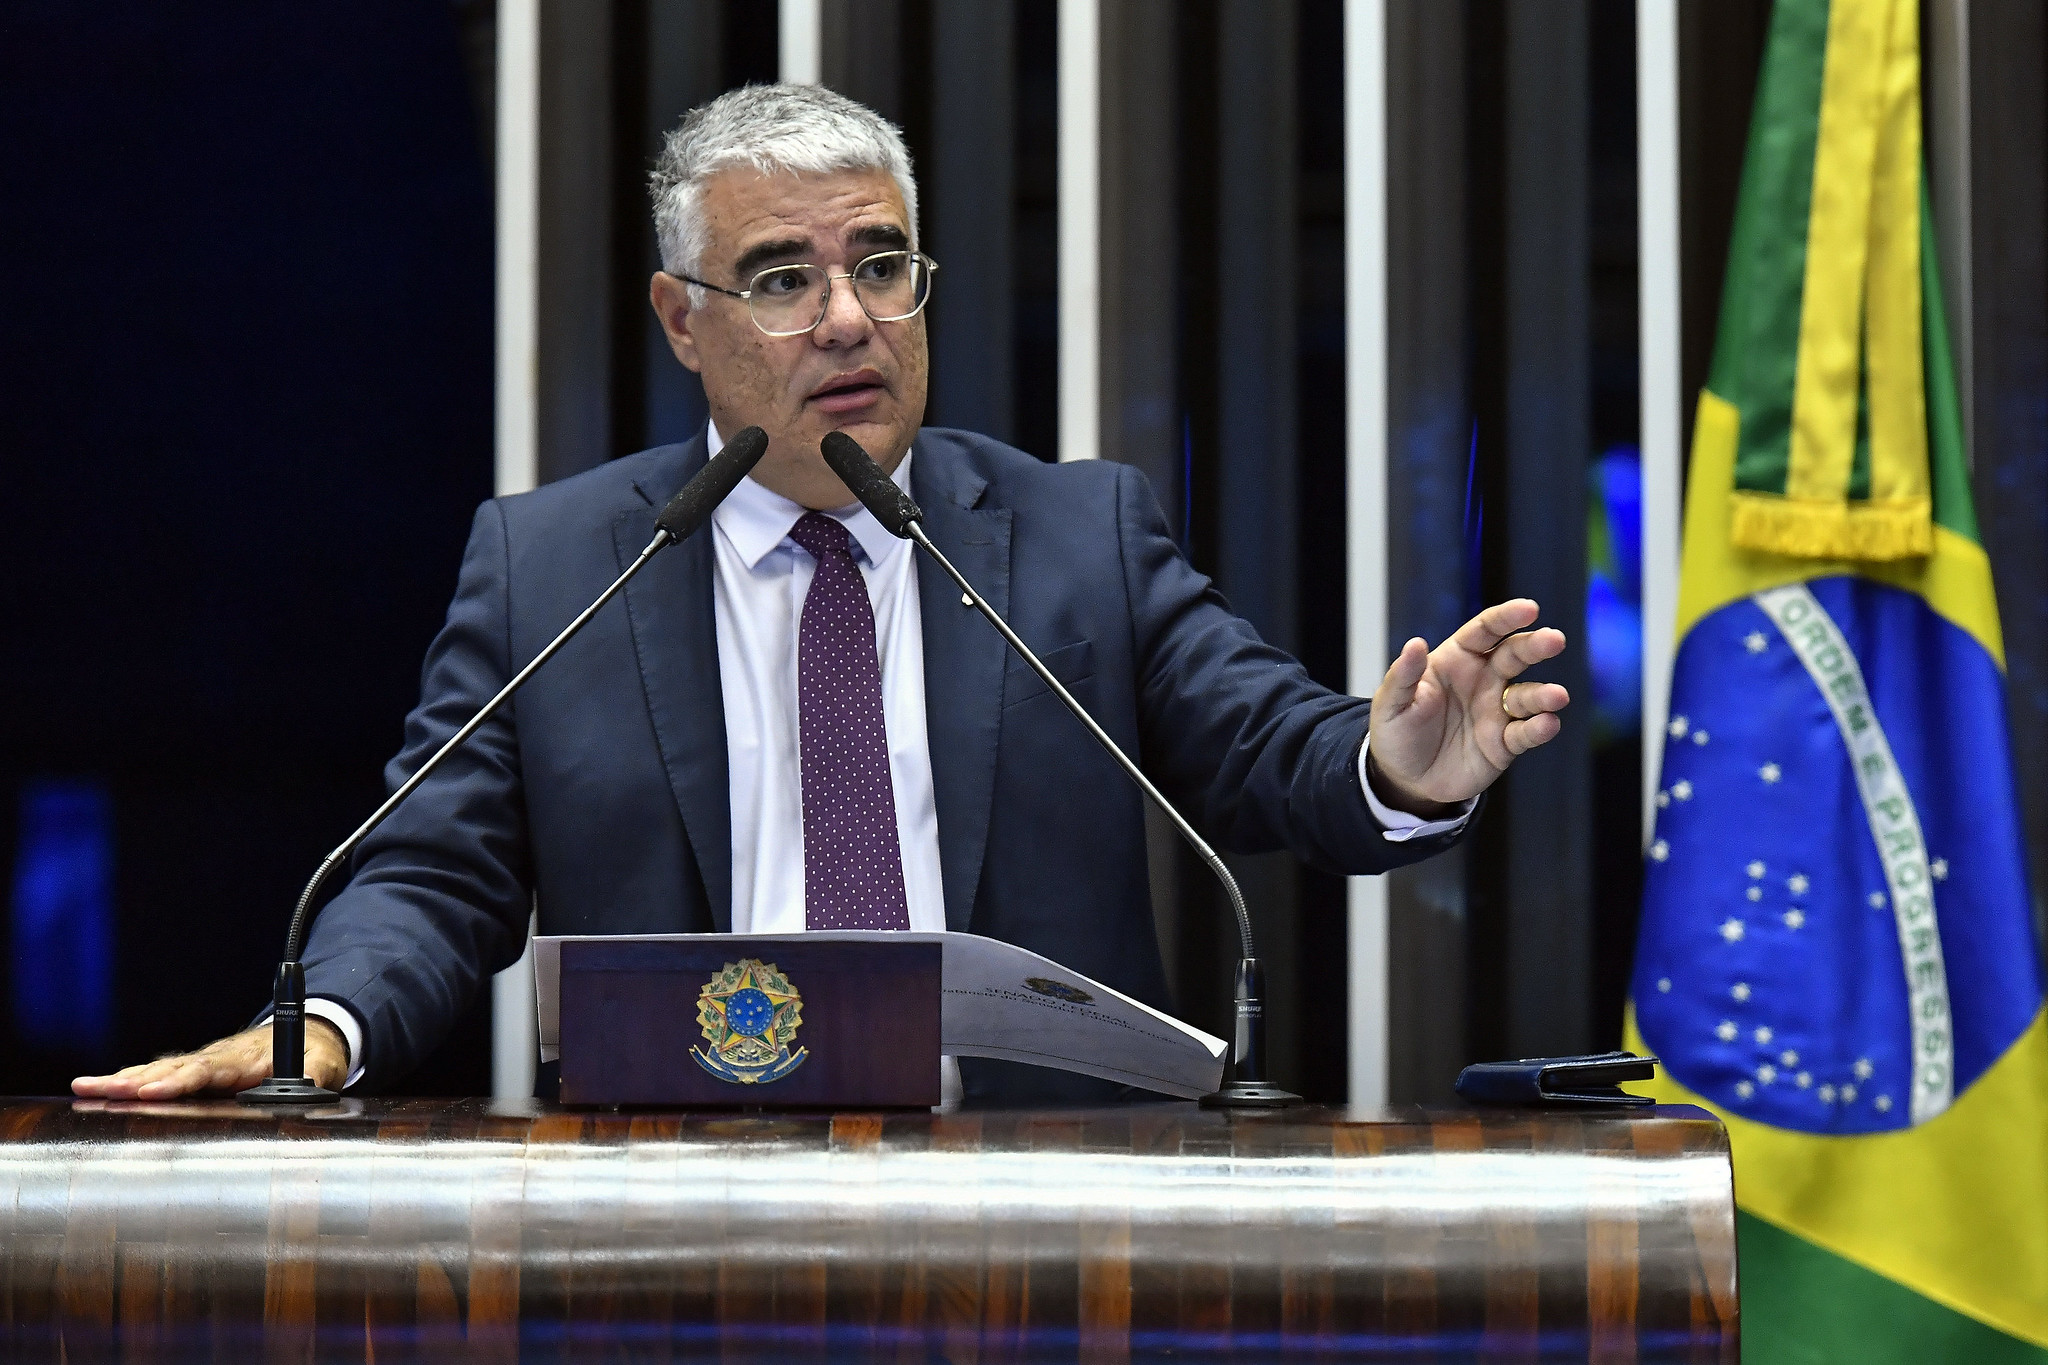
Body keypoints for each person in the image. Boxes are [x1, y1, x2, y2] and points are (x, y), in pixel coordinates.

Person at [74, 84, 1568, 1105]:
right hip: (677, 1222)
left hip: (1048, 1219)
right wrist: (321, 1026)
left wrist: (1393, 767)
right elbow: (428, 873)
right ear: (684, 318)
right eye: (783, 277)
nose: (849, 315)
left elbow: (1267, 747)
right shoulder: (552, 567)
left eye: (881, 263)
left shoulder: (1072, 532)